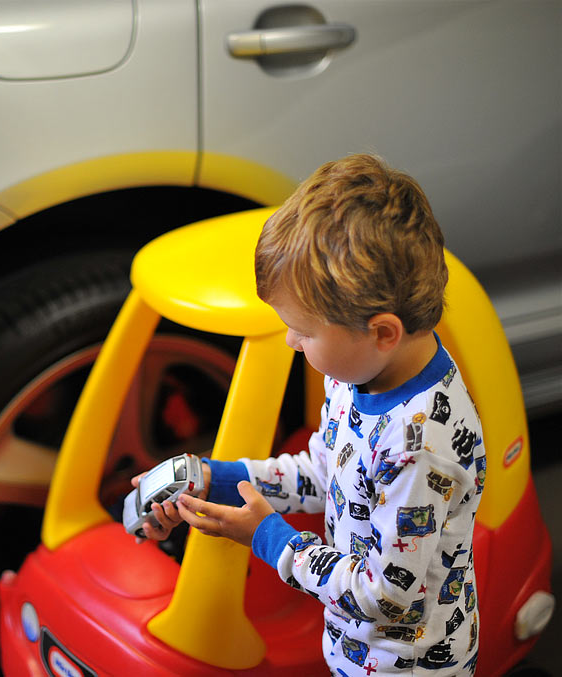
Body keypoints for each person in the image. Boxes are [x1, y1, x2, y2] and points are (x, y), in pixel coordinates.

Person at [132, 154, 485, 676]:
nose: (292, 343)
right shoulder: (357, 371)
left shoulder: (420, 448)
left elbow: (383, 594)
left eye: (303, 330)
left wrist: (267, 537)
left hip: (405, 665)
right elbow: (326, 473)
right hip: (353, 648)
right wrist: (220, 478)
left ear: (382, 331)